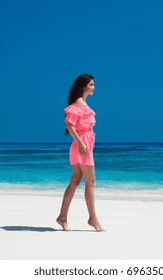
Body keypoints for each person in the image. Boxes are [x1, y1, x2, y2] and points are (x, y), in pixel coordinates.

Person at [56, 74, 105, 232]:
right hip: (82, 146)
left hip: (84, 145)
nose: (93, 87)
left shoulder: (83, 104)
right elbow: (70, 125)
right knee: (90, 182)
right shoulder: (78, 104)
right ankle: (93, 219)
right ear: (84, 86)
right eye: (91, 85)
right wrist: (81, 144)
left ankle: (62, 217)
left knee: (75, 182)